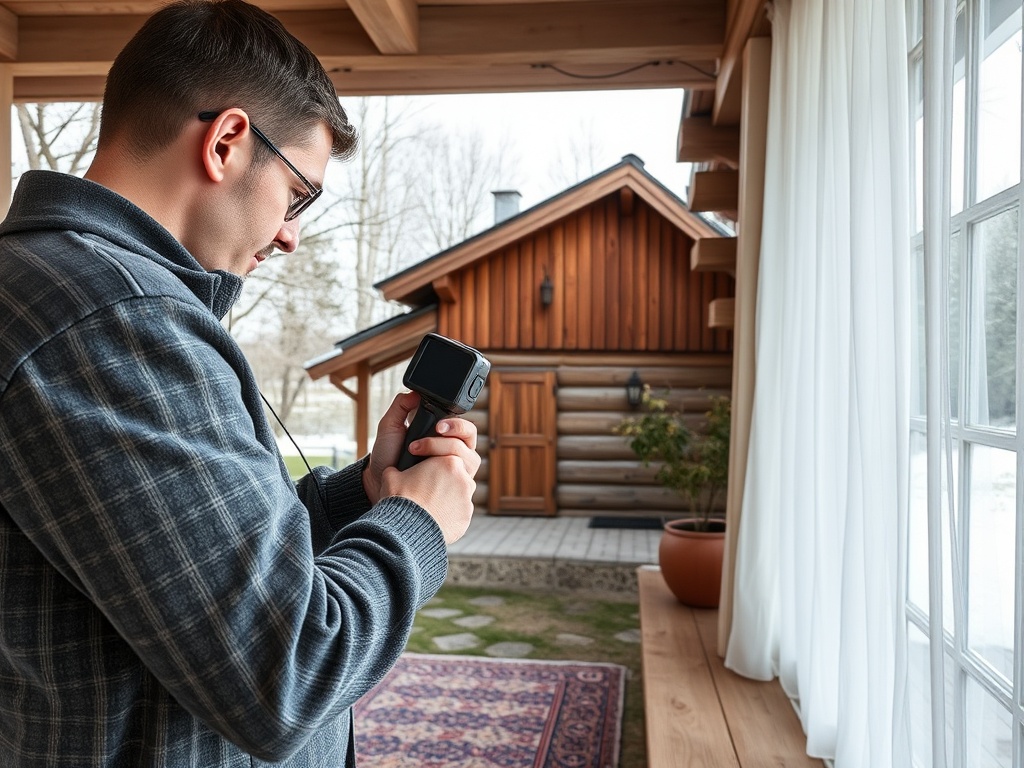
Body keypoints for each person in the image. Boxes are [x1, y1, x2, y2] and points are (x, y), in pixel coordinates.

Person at [0, 1, 479, 765]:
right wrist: (417, 526)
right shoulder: (115, 319)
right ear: (227, 141)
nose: (291, 234)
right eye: (299, 195)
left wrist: (362, 494)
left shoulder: (67, 291)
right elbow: (287, 670)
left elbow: (180, 554)